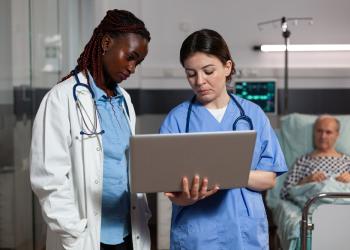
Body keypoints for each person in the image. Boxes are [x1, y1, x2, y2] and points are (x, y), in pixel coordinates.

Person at [30, 9, 151, 250]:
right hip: (85, 237)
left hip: (129, 232)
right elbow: (48, 179)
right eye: (130, 56)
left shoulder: (124, 100)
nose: (132, 67)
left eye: (138, 62)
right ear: (106, 43)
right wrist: (73, 233)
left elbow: (126, 165)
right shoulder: (61, 98)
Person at [159, 29, 288, 250]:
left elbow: (269, 179)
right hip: (197, 235)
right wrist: (190, 197)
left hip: (243, 232)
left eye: (208, 71)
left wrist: (230, 174)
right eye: (191, 73)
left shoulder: (253, 115)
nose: (200, 81)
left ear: (227, 67)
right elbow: (172, 193)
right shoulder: (178, 119)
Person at [281, 115, 350, 199]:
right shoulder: (303, 161)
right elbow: (285, 193)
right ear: (314, 133)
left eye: (328, 132)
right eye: (319, 131)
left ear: (337, 135)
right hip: (314, 204)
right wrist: (307, 180)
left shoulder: (347, 161)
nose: (323, 136)